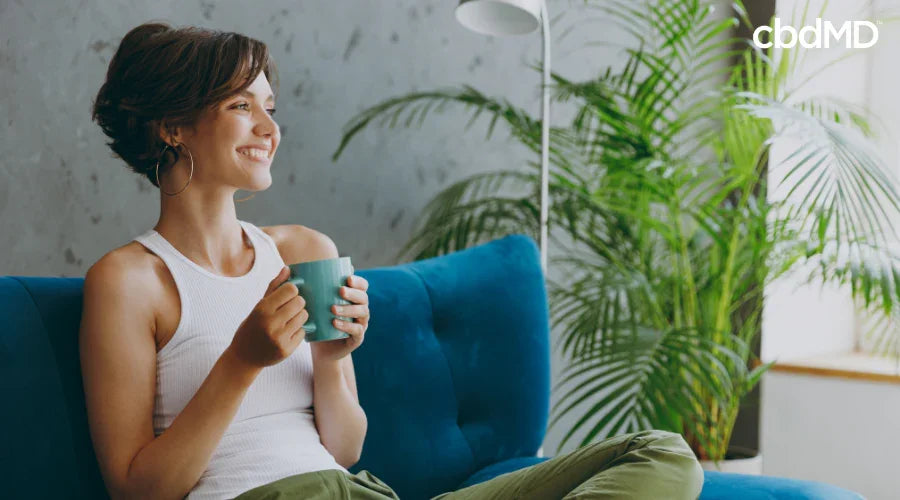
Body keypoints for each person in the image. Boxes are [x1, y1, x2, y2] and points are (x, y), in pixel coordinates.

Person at [80, 22, 704, 500]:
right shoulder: (130, 281)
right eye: (241, 106)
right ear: (173, 129)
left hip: (356, 490)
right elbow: (139, 488)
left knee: (663, 455)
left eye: (271, 105)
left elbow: (344, 450)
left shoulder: (303, 252)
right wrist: (242, 361)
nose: (269, 126)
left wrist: (331, 359)